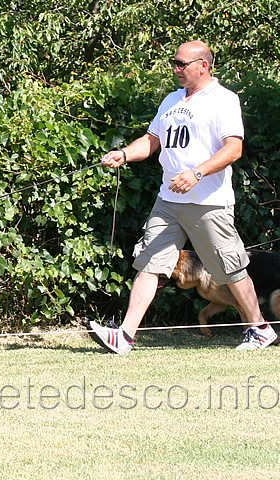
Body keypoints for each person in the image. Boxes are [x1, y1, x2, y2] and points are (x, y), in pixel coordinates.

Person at [89, 40, 277, 354]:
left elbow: (234, 148)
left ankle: (259, 328)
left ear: (203, 65)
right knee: (149, 263)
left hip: (208, 202)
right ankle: (124, 336)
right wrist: (124, 154)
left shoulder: (223, 100)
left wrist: (197, 173)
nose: (175, 69)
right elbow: (151, 141)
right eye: (174, 63)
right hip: (169, 200)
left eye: (181, 64)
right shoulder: (171, 101)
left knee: (230, 269)